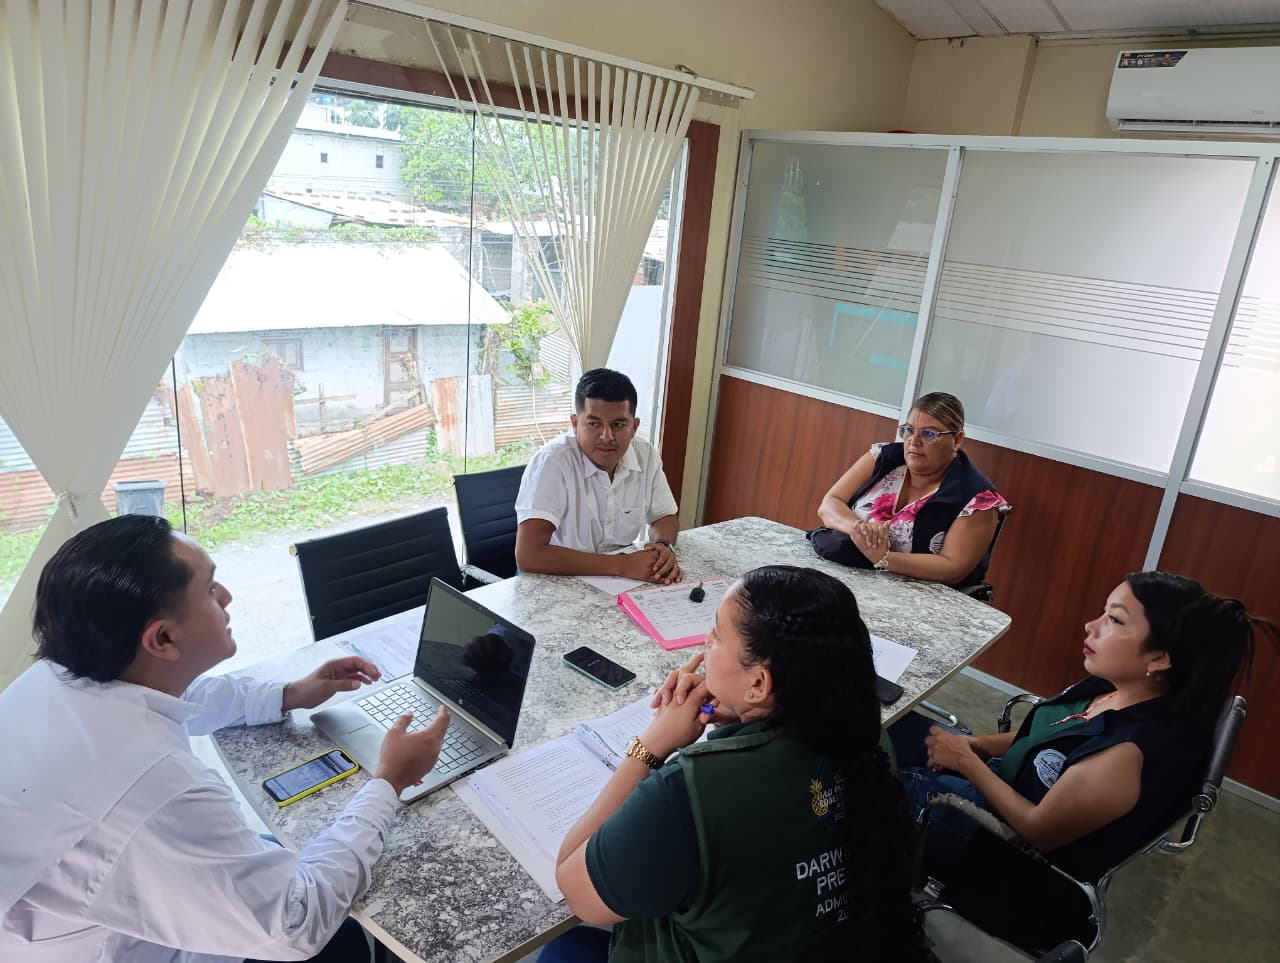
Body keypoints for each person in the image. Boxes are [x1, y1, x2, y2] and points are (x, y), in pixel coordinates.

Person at [0, 515, 451, 963]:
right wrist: (388, 782)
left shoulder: (58, 676)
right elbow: (296, 924)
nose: (227, 596)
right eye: (210, 589)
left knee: (301, 870)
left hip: (93, 916)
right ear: (163, 638)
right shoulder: (159, 791)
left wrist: (289, 694)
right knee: (341, 939)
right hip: (129, 950)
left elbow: (179, 693)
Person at [547, 565, 926, 962]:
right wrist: (747, 714)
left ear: (759, 683)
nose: (705, 641)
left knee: (564, 948)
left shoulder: (691, 790)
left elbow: (575, 891)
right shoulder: (870, 740)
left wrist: (651, 744)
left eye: (716, 635)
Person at [892, 572, 1276, 897]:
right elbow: (1053, 733)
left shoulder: (1129, 752)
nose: (1091, 625)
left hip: (1004, 853)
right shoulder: (1118, 686)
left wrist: (964, 760)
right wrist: (977, 745)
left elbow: (1038, 831)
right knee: (892, 727)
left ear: (1160, 658)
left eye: (1115, 620)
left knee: (870, 770)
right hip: (1004, 781)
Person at [813, 391, 1009, 588]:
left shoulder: (978, 498)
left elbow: (953, 568)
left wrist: (884, 557)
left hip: (915, 593)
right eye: (909, 430)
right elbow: (830, 503)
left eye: (929, 434)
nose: (914, 441)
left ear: (957, 440)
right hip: (845, 572)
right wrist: (860, 531)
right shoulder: (883, 458)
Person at [515, 367, 682, 585]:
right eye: (594, 424)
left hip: (619, 581)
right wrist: (621, 566)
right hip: (556, 579)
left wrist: (661, 547)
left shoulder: (645, 455)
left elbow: (665, 516)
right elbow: (529, 555)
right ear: (575, 424)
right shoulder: (553, 462)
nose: (606, 436)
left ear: (634, 427)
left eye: (618, 425)